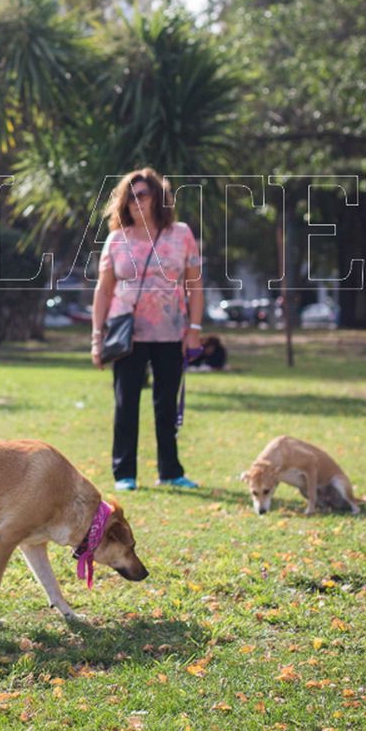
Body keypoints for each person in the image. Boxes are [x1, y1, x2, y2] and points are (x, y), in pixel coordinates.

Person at [91, 168, 203, 491]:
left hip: (171, 332)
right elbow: (103, 291)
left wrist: (194, 329)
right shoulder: (116, 240)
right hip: (128, 333)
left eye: (143, 195)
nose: (136, 202)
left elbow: (195, 285)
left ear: (157, 197)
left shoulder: (180, 234)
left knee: (166, 404)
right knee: (126, 404)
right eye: (130, 197)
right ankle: (124, 472)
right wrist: (97, 338)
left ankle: (171, 470)